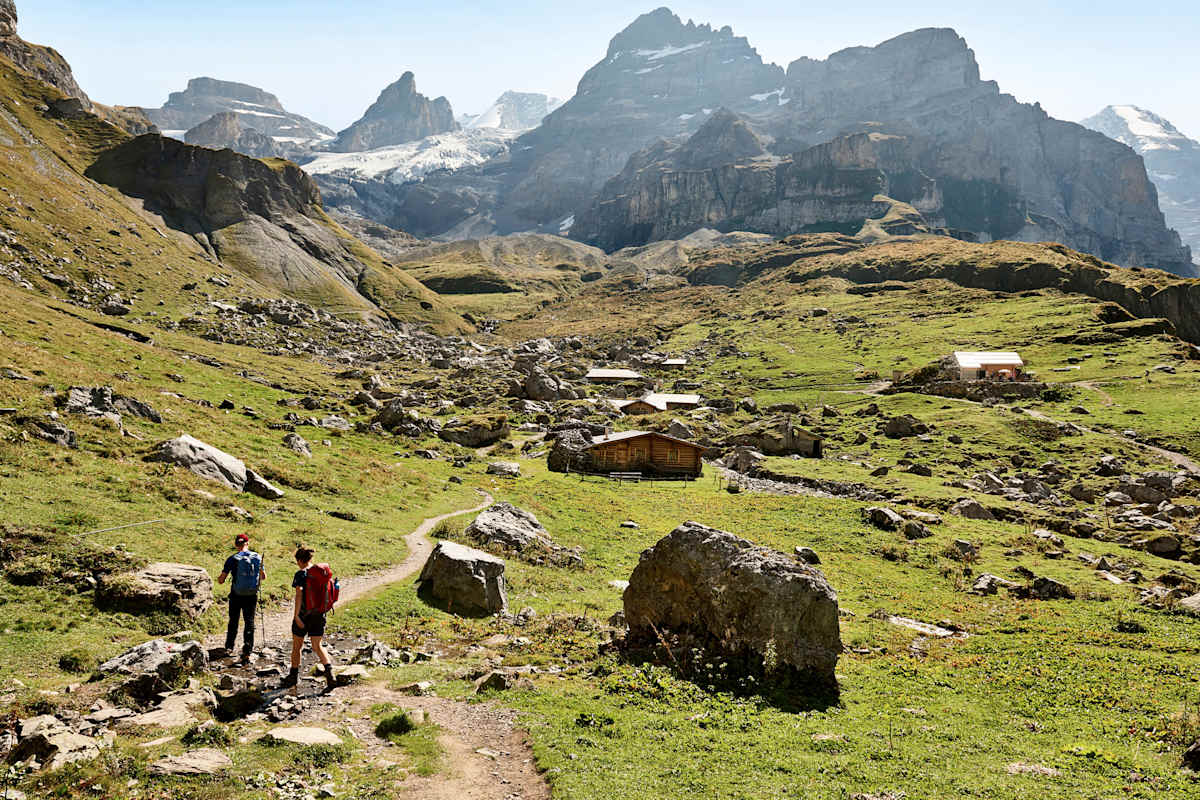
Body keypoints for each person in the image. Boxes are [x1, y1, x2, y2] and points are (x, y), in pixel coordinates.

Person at [281, 545, 336, 691]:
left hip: (304, 615)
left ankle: (293, 677)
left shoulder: (301, 574)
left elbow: (299, 595)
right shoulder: (321, 573)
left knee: (297, 646)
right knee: (317, 646)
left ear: (299, 560)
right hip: (319, 614)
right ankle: (330, 675)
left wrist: (296, 616)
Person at [216, 533, 265, 665]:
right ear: (247, 543)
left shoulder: (233, 559)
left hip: (236, 595)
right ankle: (247, 650)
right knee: (249, 622)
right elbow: (263, 577)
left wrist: (219, 578)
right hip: (251, 595)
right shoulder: (257, 557)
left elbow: (221, 580)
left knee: (234, 621)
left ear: (236, 545)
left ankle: (229, 647)